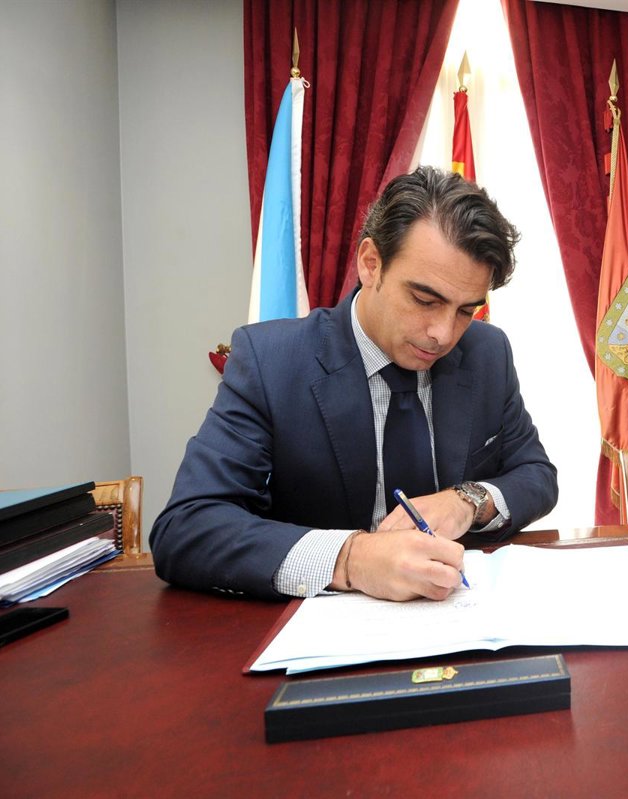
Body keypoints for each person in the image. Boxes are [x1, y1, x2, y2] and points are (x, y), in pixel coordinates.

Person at [150, 166, 558, 602]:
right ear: (370, 263)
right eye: (425, 300)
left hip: (456, 612)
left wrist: (468, 500)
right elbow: (187, 527)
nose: (443, 334)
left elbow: (536, 474)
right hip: (317, 625)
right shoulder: (271, 361)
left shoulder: (487, 353)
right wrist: (351, 559)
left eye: (465, 311)